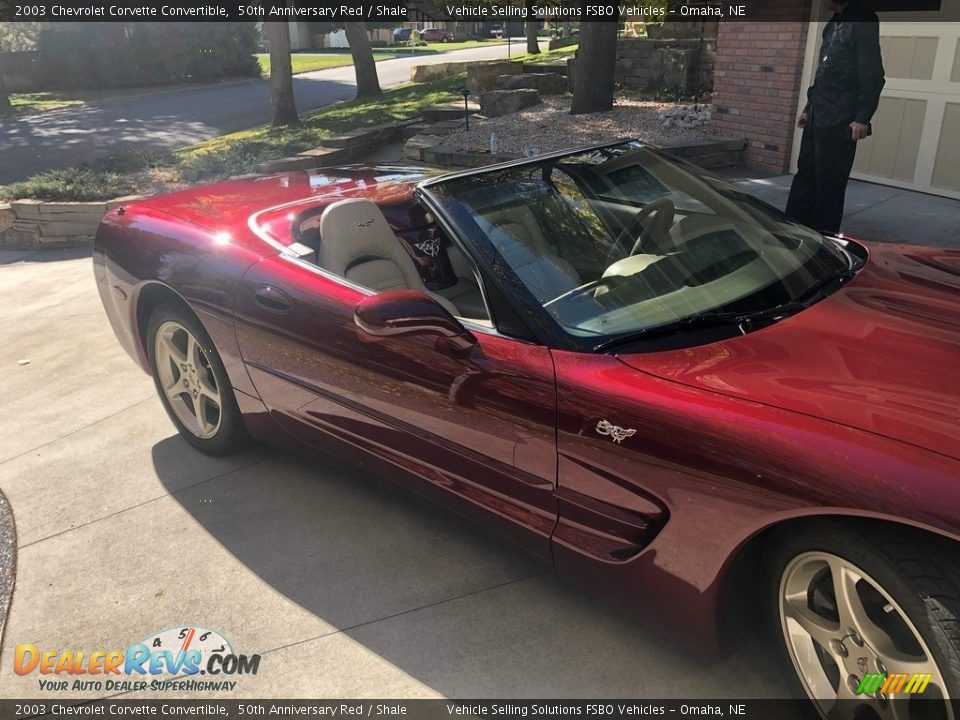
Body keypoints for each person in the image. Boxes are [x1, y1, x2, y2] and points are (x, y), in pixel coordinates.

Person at [785, 0, 885, 234]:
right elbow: (824, 71)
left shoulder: (863, 19)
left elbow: (873, 73)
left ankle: (823, 239)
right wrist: (810, 106)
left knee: (829, 182)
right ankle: (791, 229)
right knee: (805, 174)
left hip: (841, 118)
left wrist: (862, 116)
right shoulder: (833, 23)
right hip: (819, 113)